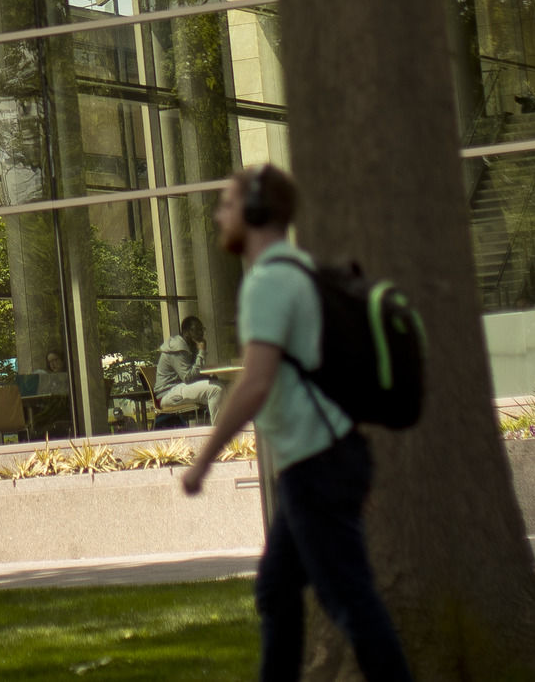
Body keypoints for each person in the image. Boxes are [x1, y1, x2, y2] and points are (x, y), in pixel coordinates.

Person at [182, 165, 412, 682]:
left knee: (348, 598)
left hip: (317, 465)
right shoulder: (302, 272)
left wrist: (203, 459)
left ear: (257, 210)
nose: (220, 214)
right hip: (324, 459)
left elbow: (255, 383)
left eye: (228, 203)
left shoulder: (269, 282)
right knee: (278, 589)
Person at [155, 315, 222, 419]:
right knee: (215, 390)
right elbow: (188, 378)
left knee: (221, 386)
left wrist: (207, 377)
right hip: (168, 394)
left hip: (180, 387)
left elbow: (195, 373)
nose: (201, 333)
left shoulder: (190, 346)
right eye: (197, 330)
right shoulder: (177, 347)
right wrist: (201, 352)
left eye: (202, 329)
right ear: (186, 332)